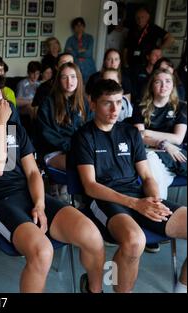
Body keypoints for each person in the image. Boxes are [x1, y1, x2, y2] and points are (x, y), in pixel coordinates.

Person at [0, 70, 105, 293]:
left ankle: (94, 289)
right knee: (43, 252)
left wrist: (40, 204)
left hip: (29, 195)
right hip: (0, 202)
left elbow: (33, 174)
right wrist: (0, 124)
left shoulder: (16, 131)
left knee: (92, 235)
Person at [72, 79, 187, 293]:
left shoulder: (130, 133)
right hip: (104, 200)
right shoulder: (83, 137)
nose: (115, 109)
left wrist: (154, 200)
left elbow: (147, 176)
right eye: (108, 103)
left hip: (138, 198)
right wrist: (135, 204)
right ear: (93, 103)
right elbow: (90, 186)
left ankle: (181, 288)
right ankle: (110, 286)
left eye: (119, 102)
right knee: (135, 242)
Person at [132, 69, 187, 200]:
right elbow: (139, 137)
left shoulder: (181, 107)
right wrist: (163, 143)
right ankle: (160, 207)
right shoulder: (141, 107)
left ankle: (158, 207)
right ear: (152, 85)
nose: (164, 86)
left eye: (168, 81)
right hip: (148, 151)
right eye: (158, 82)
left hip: (172, 151)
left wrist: (148, 132)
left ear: (173, 85)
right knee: (151, 160)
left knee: (159, 176)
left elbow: (178, 139)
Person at [36, 62, 91, 172]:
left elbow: (89, 128)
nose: (69, 81)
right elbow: (47, 133)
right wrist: (73, 147)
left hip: (80, 150)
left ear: (78, 79)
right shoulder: (48, 103)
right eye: (64, 77)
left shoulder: (84, 102)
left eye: (73, 77)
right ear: (59, 81)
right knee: (81, 163)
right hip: (53, 150)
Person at [124, 6, 174, 71]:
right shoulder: (132, 30)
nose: (140, 20)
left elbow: (171, 39)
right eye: (137, 18)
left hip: (147, 64)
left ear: (148, 17)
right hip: (132, 64)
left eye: (142, 17)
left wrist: (159, 49)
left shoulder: (153, 28)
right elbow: (126, 49)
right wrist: (125, 63)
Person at [64, 17, 96, 83]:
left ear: (84, 27)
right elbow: (68, 54)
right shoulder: (70, 39)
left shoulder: (89, 38)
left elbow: (88, 53)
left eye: (81, 25)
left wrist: (74, 51)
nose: (79, 27)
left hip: (89, 67)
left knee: (89, 88)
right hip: (76, 67)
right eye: (77, 25)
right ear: (74, 28)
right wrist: (81, 50)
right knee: (76, 87)